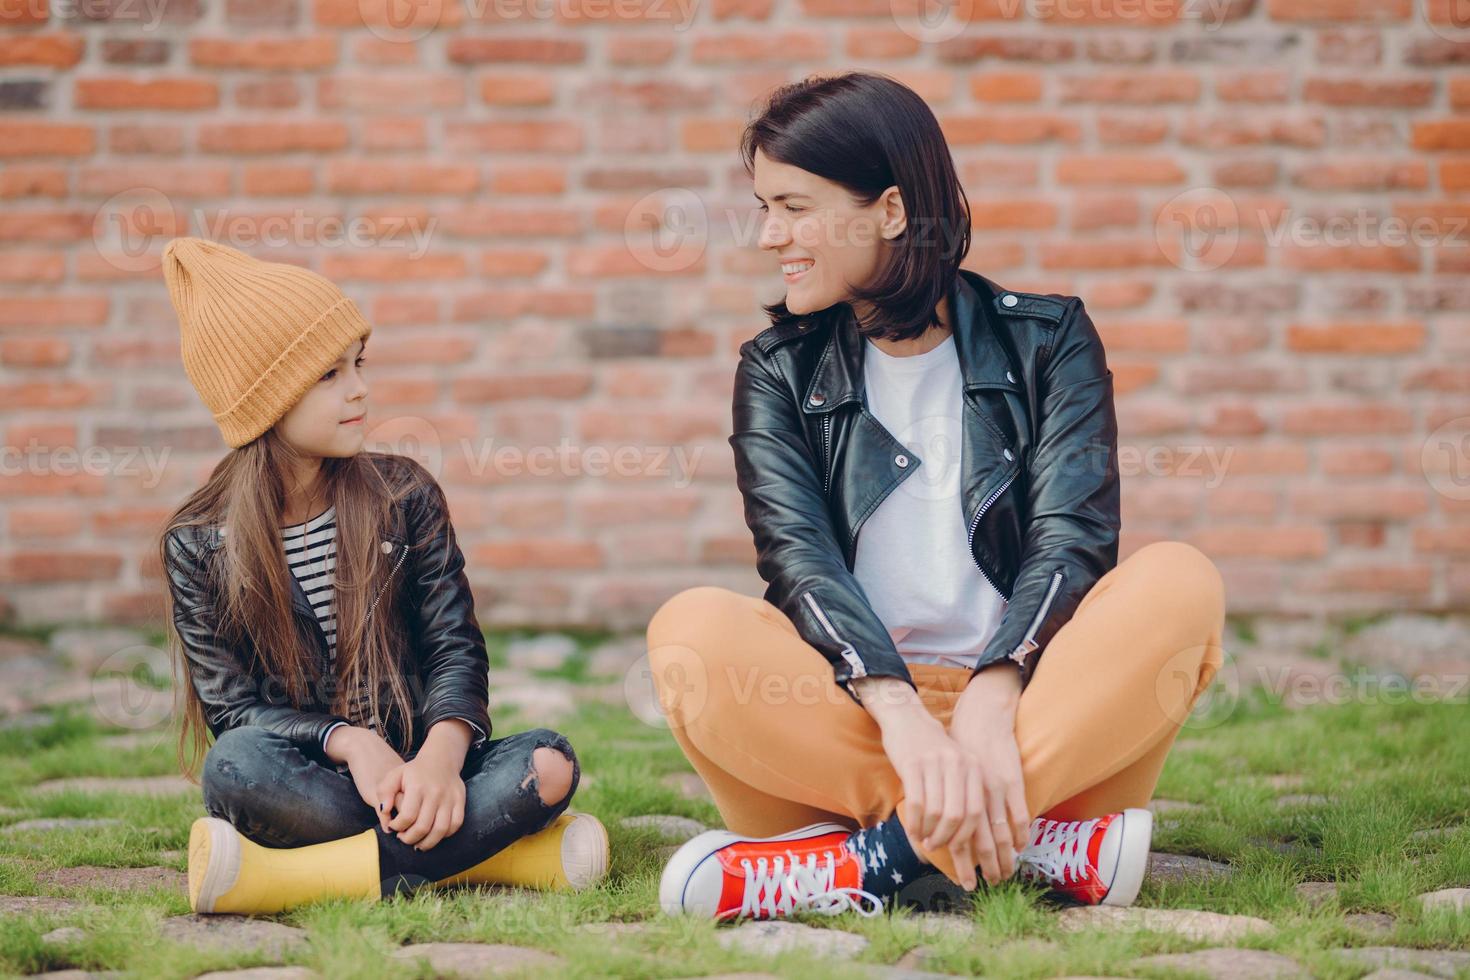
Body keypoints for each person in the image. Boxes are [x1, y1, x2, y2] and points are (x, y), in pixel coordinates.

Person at [651, 73, 1226, 921]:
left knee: (1180, 581)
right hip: (858, 724)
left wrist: (994, 701)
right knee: (689, 633)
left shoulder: (1048, 338)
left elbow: (1074, 539)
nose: (771, 235)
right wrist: (908, 721)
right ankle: (1028, 848)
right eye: (764, 207)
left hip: (1037, 715)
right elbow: (799, 563)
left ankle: (864, 861)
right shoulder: (775, 369)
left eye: (794, 206)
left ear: (889, 211)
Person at [158, 237, 609, 915]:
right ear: (265, 400)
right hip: (318, 782)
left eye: (358, 364)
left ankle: (291, 877)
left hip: (424, 765)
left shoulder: (405, 496)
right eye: (328, 375)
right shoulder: (198, 544)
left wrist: (440, 759)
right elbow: (233, 712)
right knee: (235, 768)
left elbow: (455, 648)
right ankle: (490, 855)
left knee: (547, 764)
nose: (361, 388)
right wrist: (350, 743)